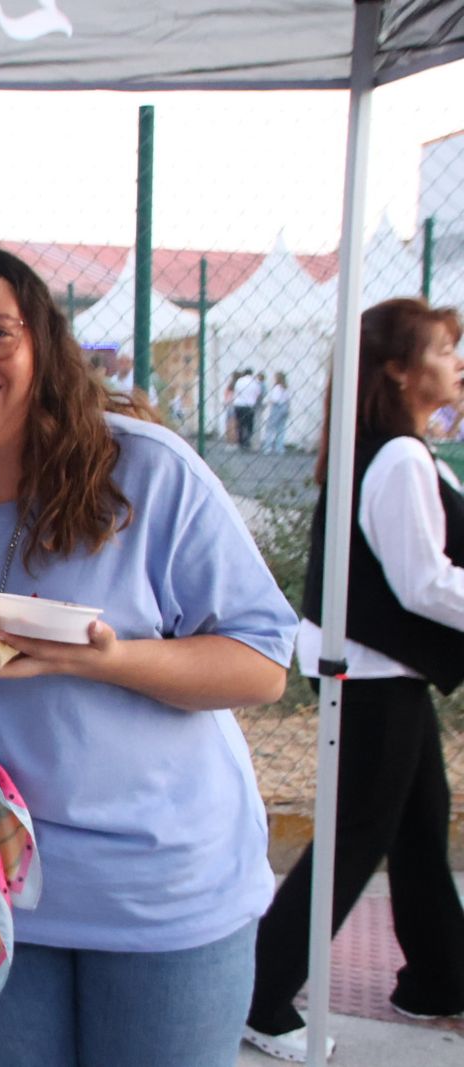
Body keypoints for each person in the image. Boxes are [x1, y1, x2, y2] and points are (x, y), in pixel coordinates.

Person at [0, 247, 298, 1067]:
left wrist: (103, 659)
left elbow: (262, 661)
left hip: (159, 892)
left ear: (41, 345)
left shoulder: (145, 473)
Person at [245, 297, 464, 1061]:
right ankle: (260, 992)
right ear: (400, 369)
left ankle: (438, 977)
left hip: (382, 671)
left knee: (417, 826)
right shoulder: (399, 456)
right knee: (352, 839)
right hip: (372, 674)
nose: (458, 362)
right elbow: (422, 582)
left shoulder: (388, 449)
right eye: (444, 349)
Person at [234, 367, 263, 450]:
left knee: (240, 424)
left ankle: (240, 441)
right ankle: (247, 440)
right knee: (249, 424)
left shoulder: (239, 381)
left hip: (239, 404)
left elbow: (236, 391)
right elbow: (258, 394)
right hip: (249, 405)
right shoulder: (255, 382)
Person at [264, 371, 291, 454]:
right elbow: (288, 399)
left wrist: (269, 400)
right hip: (285, 408)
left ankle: (268, 447)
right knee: (281, 429)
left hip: (277, 408)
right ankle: (280, 448)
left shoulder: (277, 388)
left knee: (270, 428)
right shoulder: (286, 388)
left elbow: (276, 399)